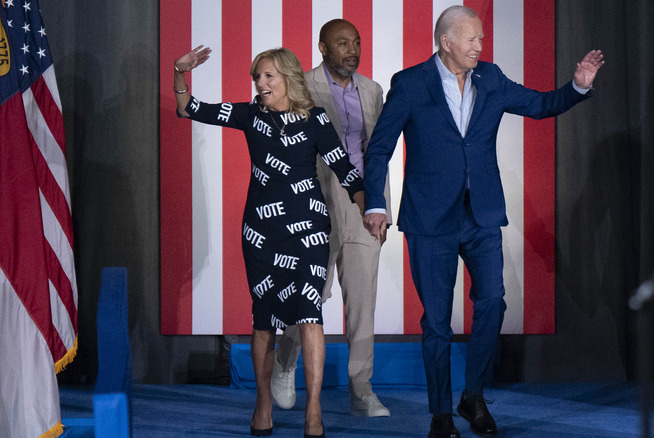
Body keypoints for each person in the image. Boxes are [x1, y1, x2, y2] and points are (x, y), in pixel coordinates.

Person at [361, 6, 604, 438]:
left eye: (481, 38)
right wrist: (375, 204)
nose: (479, 45)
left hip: (481, 215)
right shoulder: (411, 83)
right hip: (430, 219)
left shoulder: (490, 78)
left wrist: (577, 88)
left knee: (492, 302)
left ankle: (472, 396)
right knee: (436, 321)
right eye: (471, 39)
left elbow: (542, 104)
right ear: (446, 42)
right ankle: (440, 413)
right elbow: (379, 149)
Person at [173, 45, 366, 438]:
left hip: (309, 230)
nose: (260, 84)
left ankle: (314, 410)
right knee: (264, 322)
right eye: (257, 77)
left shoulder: (315, 120)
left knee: (309, 315)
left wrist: (368, 209)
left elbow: (345, 169)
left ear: (287, 78)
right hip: (261, 232)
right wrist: (180, 72)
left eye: (267, 76)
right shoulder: (250, 115)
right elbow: (189, 108)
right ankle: (263, 402)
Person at [270, 19, 393, 418]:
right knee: (307, 295)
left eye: (356, 43)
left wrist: (380, 207)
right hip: (314, 204)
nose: (352, 50)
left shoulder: (373, 91)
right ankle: (286, 365)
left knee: (362, 304)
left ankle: (362, 390)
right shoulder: (301, 86)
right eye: (342, 43)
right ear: (323, 48)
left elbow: (379, 154)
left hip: (361, 206)